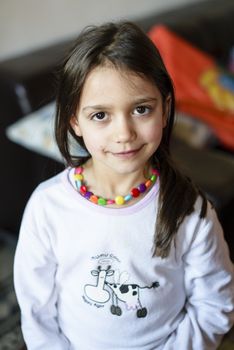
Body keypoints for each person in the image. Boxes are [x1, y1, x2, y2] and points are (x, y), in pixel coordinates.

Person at [14, 21, 234, 350]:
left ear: (165, 110)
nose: (124, 134)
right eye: (101, 115)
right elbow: (36, 311)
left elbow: (215, 304)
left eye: (141, 109)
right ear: (75, 120)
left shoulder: (191, 210)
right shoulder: (48, 207)